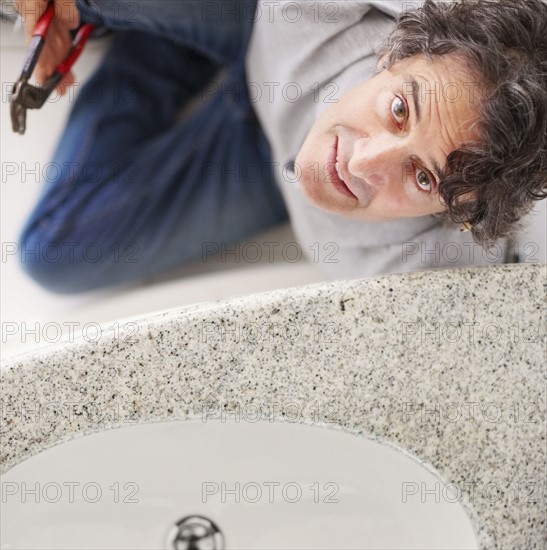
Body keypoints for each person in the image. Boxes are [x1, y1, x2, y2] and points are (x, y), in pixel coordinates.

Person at [14, 0, 547, 293]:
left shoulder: (424, 274)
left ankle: (156, 54)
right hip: (253, 15)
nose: (358, 163)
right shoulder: (440, 34)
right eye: (400, 111)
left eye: (423, 178)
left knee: (53, 256)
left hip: (264, 161)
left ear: (460, 219)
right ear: (403, 52)